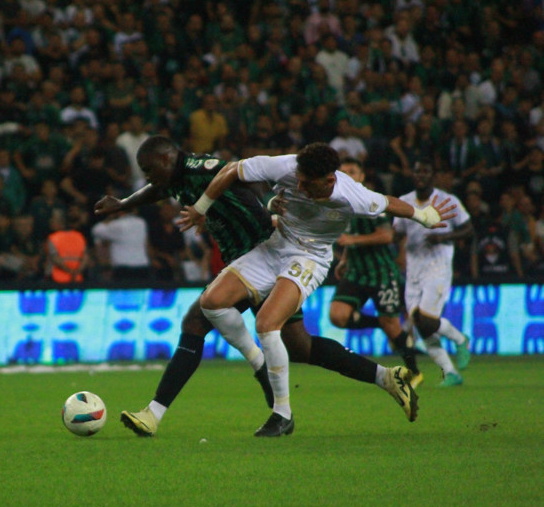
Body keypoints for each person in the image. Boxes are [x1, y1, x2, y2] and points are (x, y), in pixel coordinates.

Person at [95, 137, 421, 438]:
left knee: (197, 322)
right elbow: (158, 189)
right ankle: (384, 377)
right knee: (299, 346)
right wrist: (123, 204)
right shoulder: (176, 178)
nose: (148, 177)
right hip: (249, 256)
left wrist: (270, 204)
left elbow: (241, 177)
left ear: (167, 159)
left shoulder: (203, 169)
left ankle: (157, 413)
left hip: (263, 250)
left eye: (149, 170)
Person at [179, 143, 455, 437]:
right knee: (212, 301)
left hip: (309, 258)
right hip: (276, 244)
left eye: (306, 183)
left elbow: (388, 203)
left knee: (267, 323)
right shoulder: (286, 165)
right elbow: (233, 169)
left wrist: (424, 216)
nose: (298, 186)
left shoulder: (353, 196)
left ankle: (282, 414)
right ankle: (260, 360)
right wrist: (200, 208)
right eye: (298, 179)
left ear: (329, 180)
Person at [322, 158, 422, 385]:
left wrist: (352, 241)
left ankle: (415, 372)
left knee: (393, 327)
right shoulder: (339, 203)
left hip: (381, 273)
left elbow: (387, 235)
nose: (347, 175)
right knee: (337, 316)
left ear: (362, 176)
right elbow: (349, 234)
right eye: (343, 172)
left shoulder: (370, 201)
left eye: (352, 171)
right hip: (356, 271)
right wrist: (345, 259)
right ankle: (380, 323)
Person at [393, 161, 473, 387]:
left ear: (433, 175)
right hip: (413, 271)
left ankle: (460, 339)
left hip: (438, 267)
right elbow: (397, 233)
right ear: (413, 174)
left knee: (425, 319)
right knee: (421, 325)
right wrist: (394, 240)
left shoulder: (448, 200)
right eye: (417, 171)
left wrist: (444, 237)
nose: (421, 175)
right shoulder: (404, 201)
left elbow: (469, 229)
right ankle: (450, 373)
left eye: (425, 171)